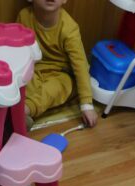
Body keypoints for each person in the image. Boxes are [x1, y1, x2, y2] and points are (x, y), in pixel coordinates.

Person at [17, 0, 97, 128]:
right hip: (35, 68)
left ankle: (23, 111)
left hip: (63, 73)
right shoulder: (24, 16)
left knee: (52, 90)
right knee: (23, 81)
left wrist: (86, 104)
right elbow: (18, 49)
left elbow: (80, 66)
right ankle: (21, 112)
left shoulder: (69, 28)